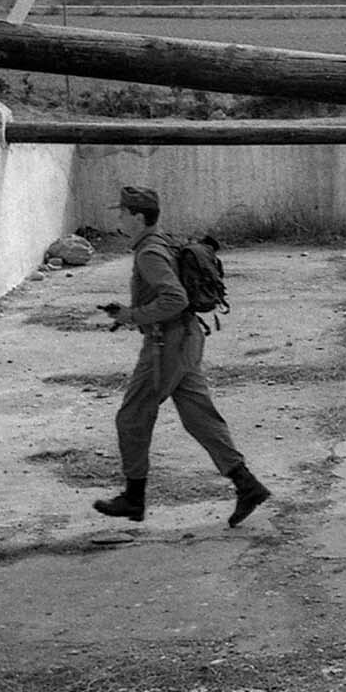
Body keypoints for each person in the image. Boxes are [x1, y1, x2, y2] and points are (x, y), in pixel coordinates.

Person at [93, 185, 271, 527]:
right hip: (187, 338)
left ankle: (134, 498)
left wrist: (132, 316)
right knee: (199, 417)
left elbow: (175, 299)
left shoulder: (149, 252)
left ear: (138, 217)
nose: (119, 217)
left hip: (166, 345)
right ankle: (247, 485)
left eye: (123, 212)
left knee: (132, 417)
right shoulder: (163, 241)